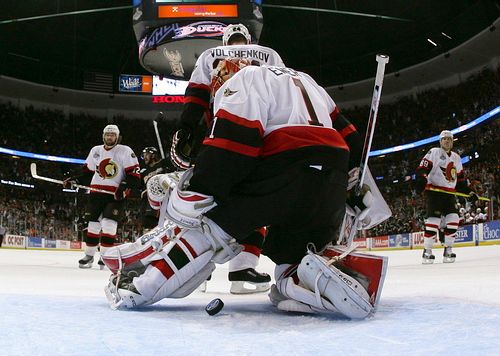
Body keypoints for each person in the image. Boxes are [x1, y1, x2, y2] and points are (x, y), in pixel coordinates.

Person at [102, 64, 388, 320]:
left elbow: (235, 141)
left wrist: (201, 188)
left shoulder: (246, 77)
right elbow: (352, 137)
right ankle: (315, 281)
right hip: (331, 176)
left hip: (283, 164)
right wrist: (350, 187)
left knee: (209, 228)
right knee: (293, 261)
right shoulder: (306, 78)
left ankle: (141, 288)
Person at [169, 23, 285, 294]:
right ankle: (240, 270)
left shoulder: (210, 54)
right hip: (260, 130)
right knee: (258, 197)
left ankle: (195, 268)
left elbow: (197, 95)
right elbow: (282, 92)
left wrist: (185, 128)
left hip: (222, 132)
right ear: (248, 38)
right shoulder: (268, 54)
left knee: (206, 199)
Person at [63, 124, 141, 268]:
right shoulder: (96, 150)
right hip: (95, 192)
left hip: (115, 195)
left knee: (109, 224)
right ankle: (89, 255)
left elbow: (134, 174)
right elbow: (87, 172)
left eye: (112, 135)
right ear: (103, 136)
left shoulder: (125, 151)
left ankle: (106, 257)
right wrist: (75, 180)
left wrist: (123, 187)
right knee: (92, 225)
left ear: (117, 137)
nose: (109, 137)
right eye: (107, 134)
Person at [416, 130, 476, 264]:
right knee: (433, 221)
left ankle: (448, 249)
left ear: (452, 141)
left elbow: (460, 180)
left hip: (449, 193)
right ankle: (427, 251)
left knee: (454, 218)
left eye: (449, 139)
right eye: (444, 139)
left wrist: (469, 193)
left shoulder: (456, 157)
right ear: (440, 141)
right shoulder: (434, 152)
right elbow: (422, 168)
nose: (447, 141)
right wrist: (422, 178)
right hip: (435, 192)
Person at [139, 147, 176, 229]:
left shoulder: (163, 164)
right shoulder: (144, 171)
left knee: (156, 223)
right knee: (145, 223)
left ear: (153, 155)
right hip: (146, 201)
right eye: (143, 155)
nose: (144, 157)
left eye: (146, 155)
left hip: (160, 199)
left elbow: (173, 171)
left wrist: (167, 167)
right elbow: (138, 186)